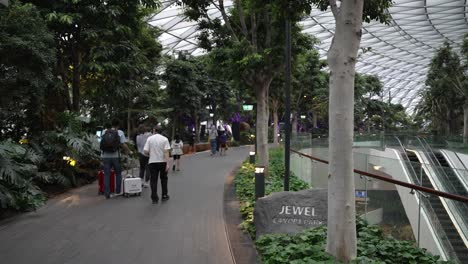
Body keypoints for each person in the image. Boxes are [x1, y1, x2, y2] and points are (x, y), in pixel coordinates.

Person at [101, 119, 132, 199]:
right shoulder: (120, 132)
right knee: (118, 173)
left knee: (107, 174)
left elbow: (101, 143)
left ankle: (107, 193)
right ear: (118, 125)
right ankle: (118, 191)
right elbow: (123, 144)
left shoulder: (104, 131)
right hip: (116, 156)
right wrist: (129, 151)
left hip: (105, 156)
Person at [144, 124, 171, 204]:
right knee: (164, 179)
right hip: (162, 162)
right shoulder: (165, 139)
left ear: (154, 130)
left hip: (152, 162)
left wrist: (150, 155)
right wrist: (167, 163)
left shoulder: (149, 139)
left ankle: (154, 198)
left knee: (153, 180)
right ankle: (164, 195)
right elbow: (166, 152)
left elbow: (145, 151)